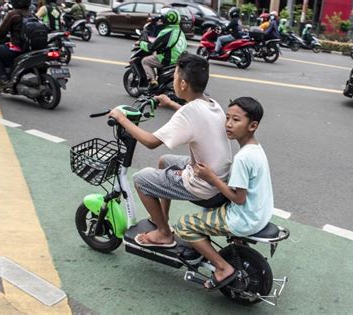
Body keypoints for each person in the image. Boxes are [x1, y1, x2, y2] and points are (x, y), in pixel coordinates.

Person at [108, 52, 232, 248]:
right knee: (165, 161)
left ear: (182, 84)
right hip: (220, 176)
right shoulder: (211, 104)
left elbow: (150, 142)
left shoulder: (188, 112)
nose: (173, 80)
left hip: (205, 184)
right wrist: (170, 103)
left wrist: (121, 118)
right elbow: (192, 118)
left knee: (141, 179)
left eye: (174, 76)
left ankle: (164, 233)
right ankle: (161, 217)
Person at [175, 97, 274, 291]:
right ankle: (235, 246)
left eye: (236, 120)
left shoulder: (243, 158)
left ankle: (223, 268)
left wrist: (212, 178)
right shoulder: (255, 149)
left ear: (253, 125)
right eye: (227, 118)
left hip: (242, 218)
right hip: (259, 214)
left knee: (184, 225)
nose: (228, 124)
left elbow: (238, 198)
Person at [0, 0, 32, 86]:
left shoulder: (13, 14)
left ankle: (3, 79)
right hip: (31, 48)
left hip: (18, 47)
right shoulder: (30, 14)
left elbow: (1, 32)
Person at [139, 9, 186, 90]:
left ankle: (153, 82)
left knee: (145, 61)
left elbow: (151, 48)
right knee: (155, 55)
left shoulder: (166, 31)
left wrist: (142, 43)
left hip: (169, 59)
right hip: (180, 57)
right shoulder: (179, 31)